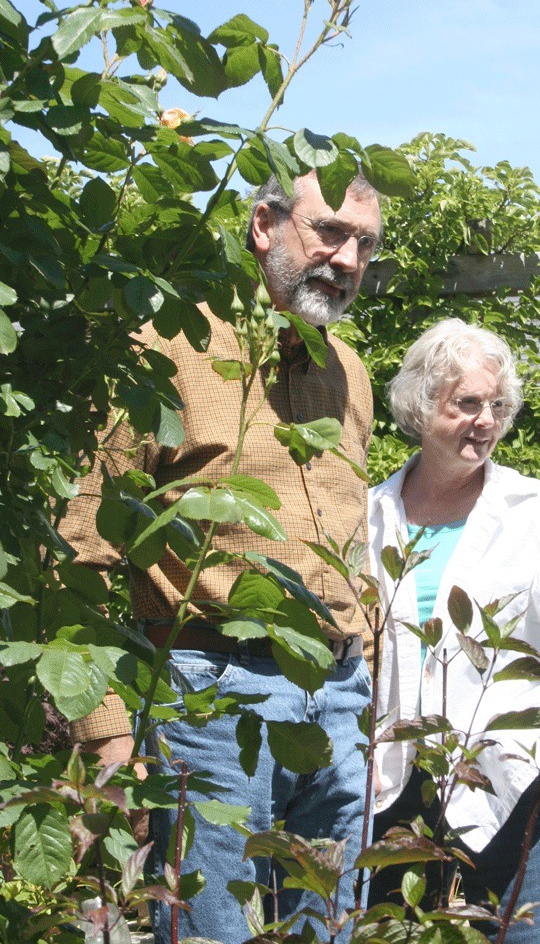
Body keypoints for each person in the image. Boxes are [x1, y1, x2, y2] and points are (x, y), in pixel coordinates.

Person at [63, 170, 382, 943]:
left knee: (329, 929)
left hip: (338, 698)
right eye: (328, 231)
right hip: (209, 695)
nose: (344, 258)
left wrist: (363, 660)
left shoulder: (350, 371)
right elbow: (78, 546)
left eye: (364, 243)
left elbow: (349, 538)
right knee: (213, 930)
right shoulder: (166, 349)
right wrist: (108, 730)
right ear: (263, 225)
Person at [367, 318, 540, 943]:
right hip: (392, 799)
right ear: (419, 404)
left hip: (511, 792)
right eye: (467, 403)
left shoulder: (535, 513)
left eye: (496, 405)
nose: (485, 420)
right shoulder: (372, 513)